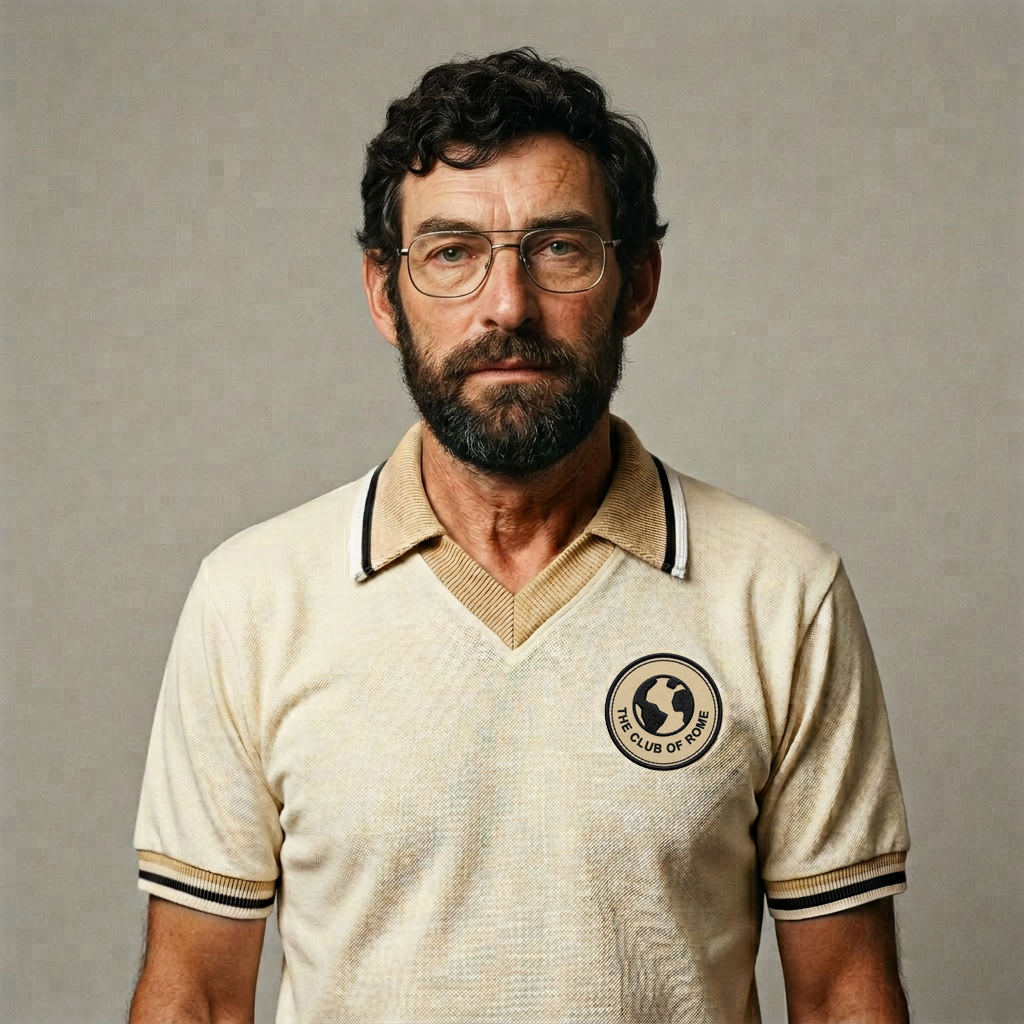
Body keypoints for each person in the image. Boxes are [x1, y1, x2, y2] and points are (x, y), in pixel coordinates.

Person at [129, 47, 910, 1024]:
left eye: (559, 248)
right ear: (383, 291)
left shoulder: (782, 594)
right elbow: (195, 996)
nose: (506, 305)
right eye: (451, 252)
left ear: (637, 283)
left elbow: (843, 994)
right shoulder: (252, 598)